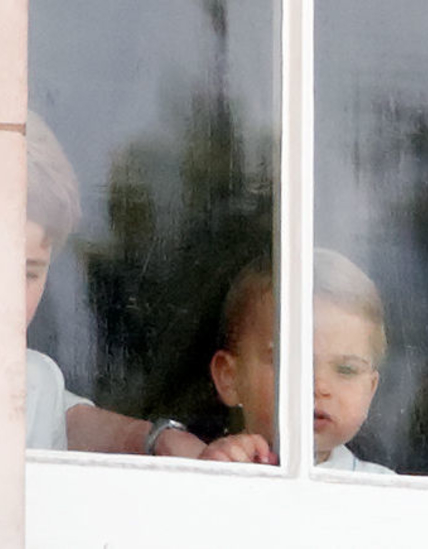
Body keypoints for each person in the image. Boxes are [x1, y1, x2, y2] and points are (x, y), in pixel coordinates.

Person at [26, 110, 207, 457]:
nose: (3, 297)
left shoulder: (37, 381)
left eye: (28, 273)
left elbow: (64, 418)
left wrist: (159, 442)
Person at [201, 249, 394, 473]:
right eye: (292, 364)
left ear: (370, 390)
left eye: (346, 370)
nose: (319, 386)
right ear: (230, 378)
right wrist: (210, 478)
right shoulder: (214, 473)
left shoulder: (385, 492)